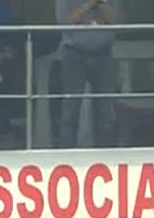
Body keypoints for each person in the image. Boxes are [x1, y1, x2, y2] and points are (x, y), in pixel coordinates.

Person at [56, 0, 117, 148]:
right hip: (74, 54)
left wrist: (101, 5)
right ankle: (65, 156)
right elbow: (65, 22)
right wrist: (88, 4)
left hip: (103, 53)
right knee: (70, 109)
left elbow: (116, 21)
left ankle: (107, 156)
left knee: (106, 110)